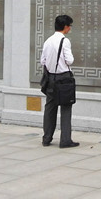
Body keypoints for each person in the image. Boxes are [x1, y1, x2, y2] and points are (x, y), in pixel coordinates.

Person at [40, 14, 79, 148]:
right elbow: (70, 60)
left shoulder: (48, 41)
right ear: (65, 27)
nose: (70, 29)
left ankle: (46, 138)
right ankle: (65, 140)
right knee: (66, 108)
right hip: (64, 78)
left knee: (50, 108)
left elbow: (43, 61)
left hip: (50, 78)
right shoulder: (64, 41)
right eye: (69, 26)